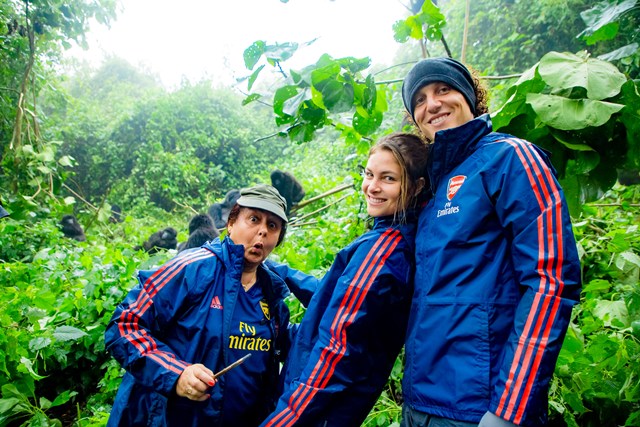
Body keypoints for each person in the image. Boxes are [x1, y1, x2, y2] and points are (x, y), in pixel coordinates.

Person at [399, 57, 582, 427]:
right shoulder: (428, 189)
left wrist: (510, 409)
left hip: (480, 408)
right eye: (419, 99)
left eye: (443, 89)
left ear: (470, 96)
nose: (431, 104)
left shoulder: (510, 157)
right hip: (419, 403)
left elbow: (551, 280)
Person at [260, 133, 429, 427]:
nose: (372, 187)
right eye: (369, 174)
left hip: (317, 412)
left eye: (388, 178)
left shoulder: (383, 251)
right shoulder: (396, 238)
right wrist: (282, 272)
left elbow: (335, 352)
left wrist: (284, 420)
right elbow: (339, 299)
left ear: (416, 187)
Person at [105, 184, 294, 426]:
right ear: (231, 223)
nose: (262, 231)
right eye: (254, 219)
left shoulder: (273, 294)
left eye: (273, 226)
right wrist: (176, 374)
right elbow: (124, 325)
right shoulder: (191, 269)